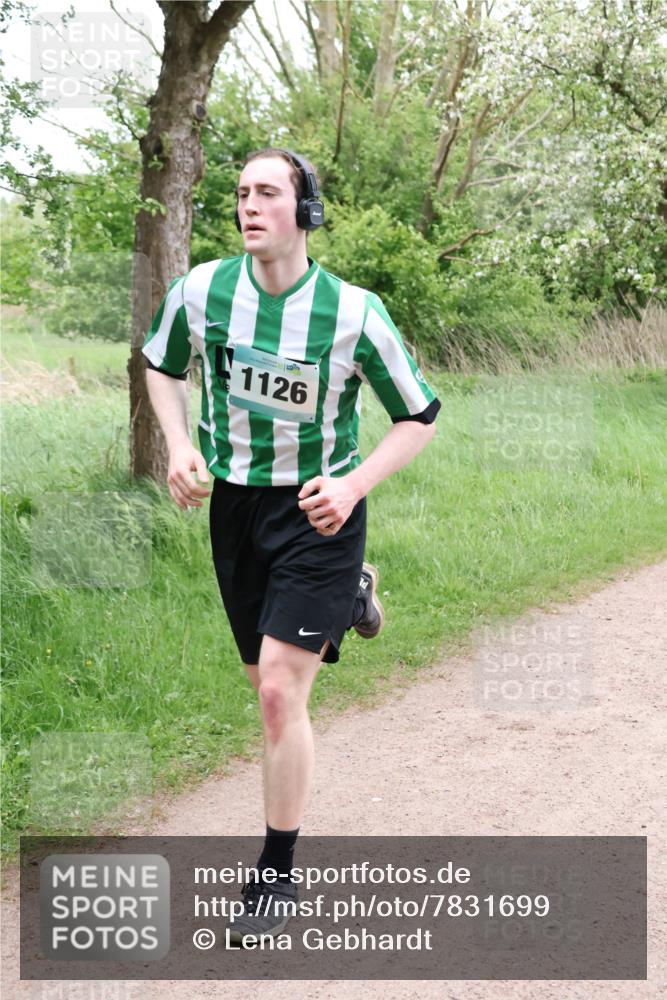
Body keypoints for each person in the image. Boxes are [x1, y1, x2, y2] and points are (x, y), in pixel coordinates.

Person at [142, 147, 440, 944]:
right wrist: (177, 446)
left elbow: (418, 414)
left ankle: (276, 875)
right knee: (259, 679)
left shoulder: (351, 311)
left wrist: (353, 485)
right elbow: (160, 365)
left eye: (267, 193)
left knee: (280, 692)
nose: (248, 205)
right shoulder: (201, 291)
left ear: (303, 210)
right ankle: (349, 598)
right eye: (240, 193)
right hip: (235, 508)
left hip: (320, 512)